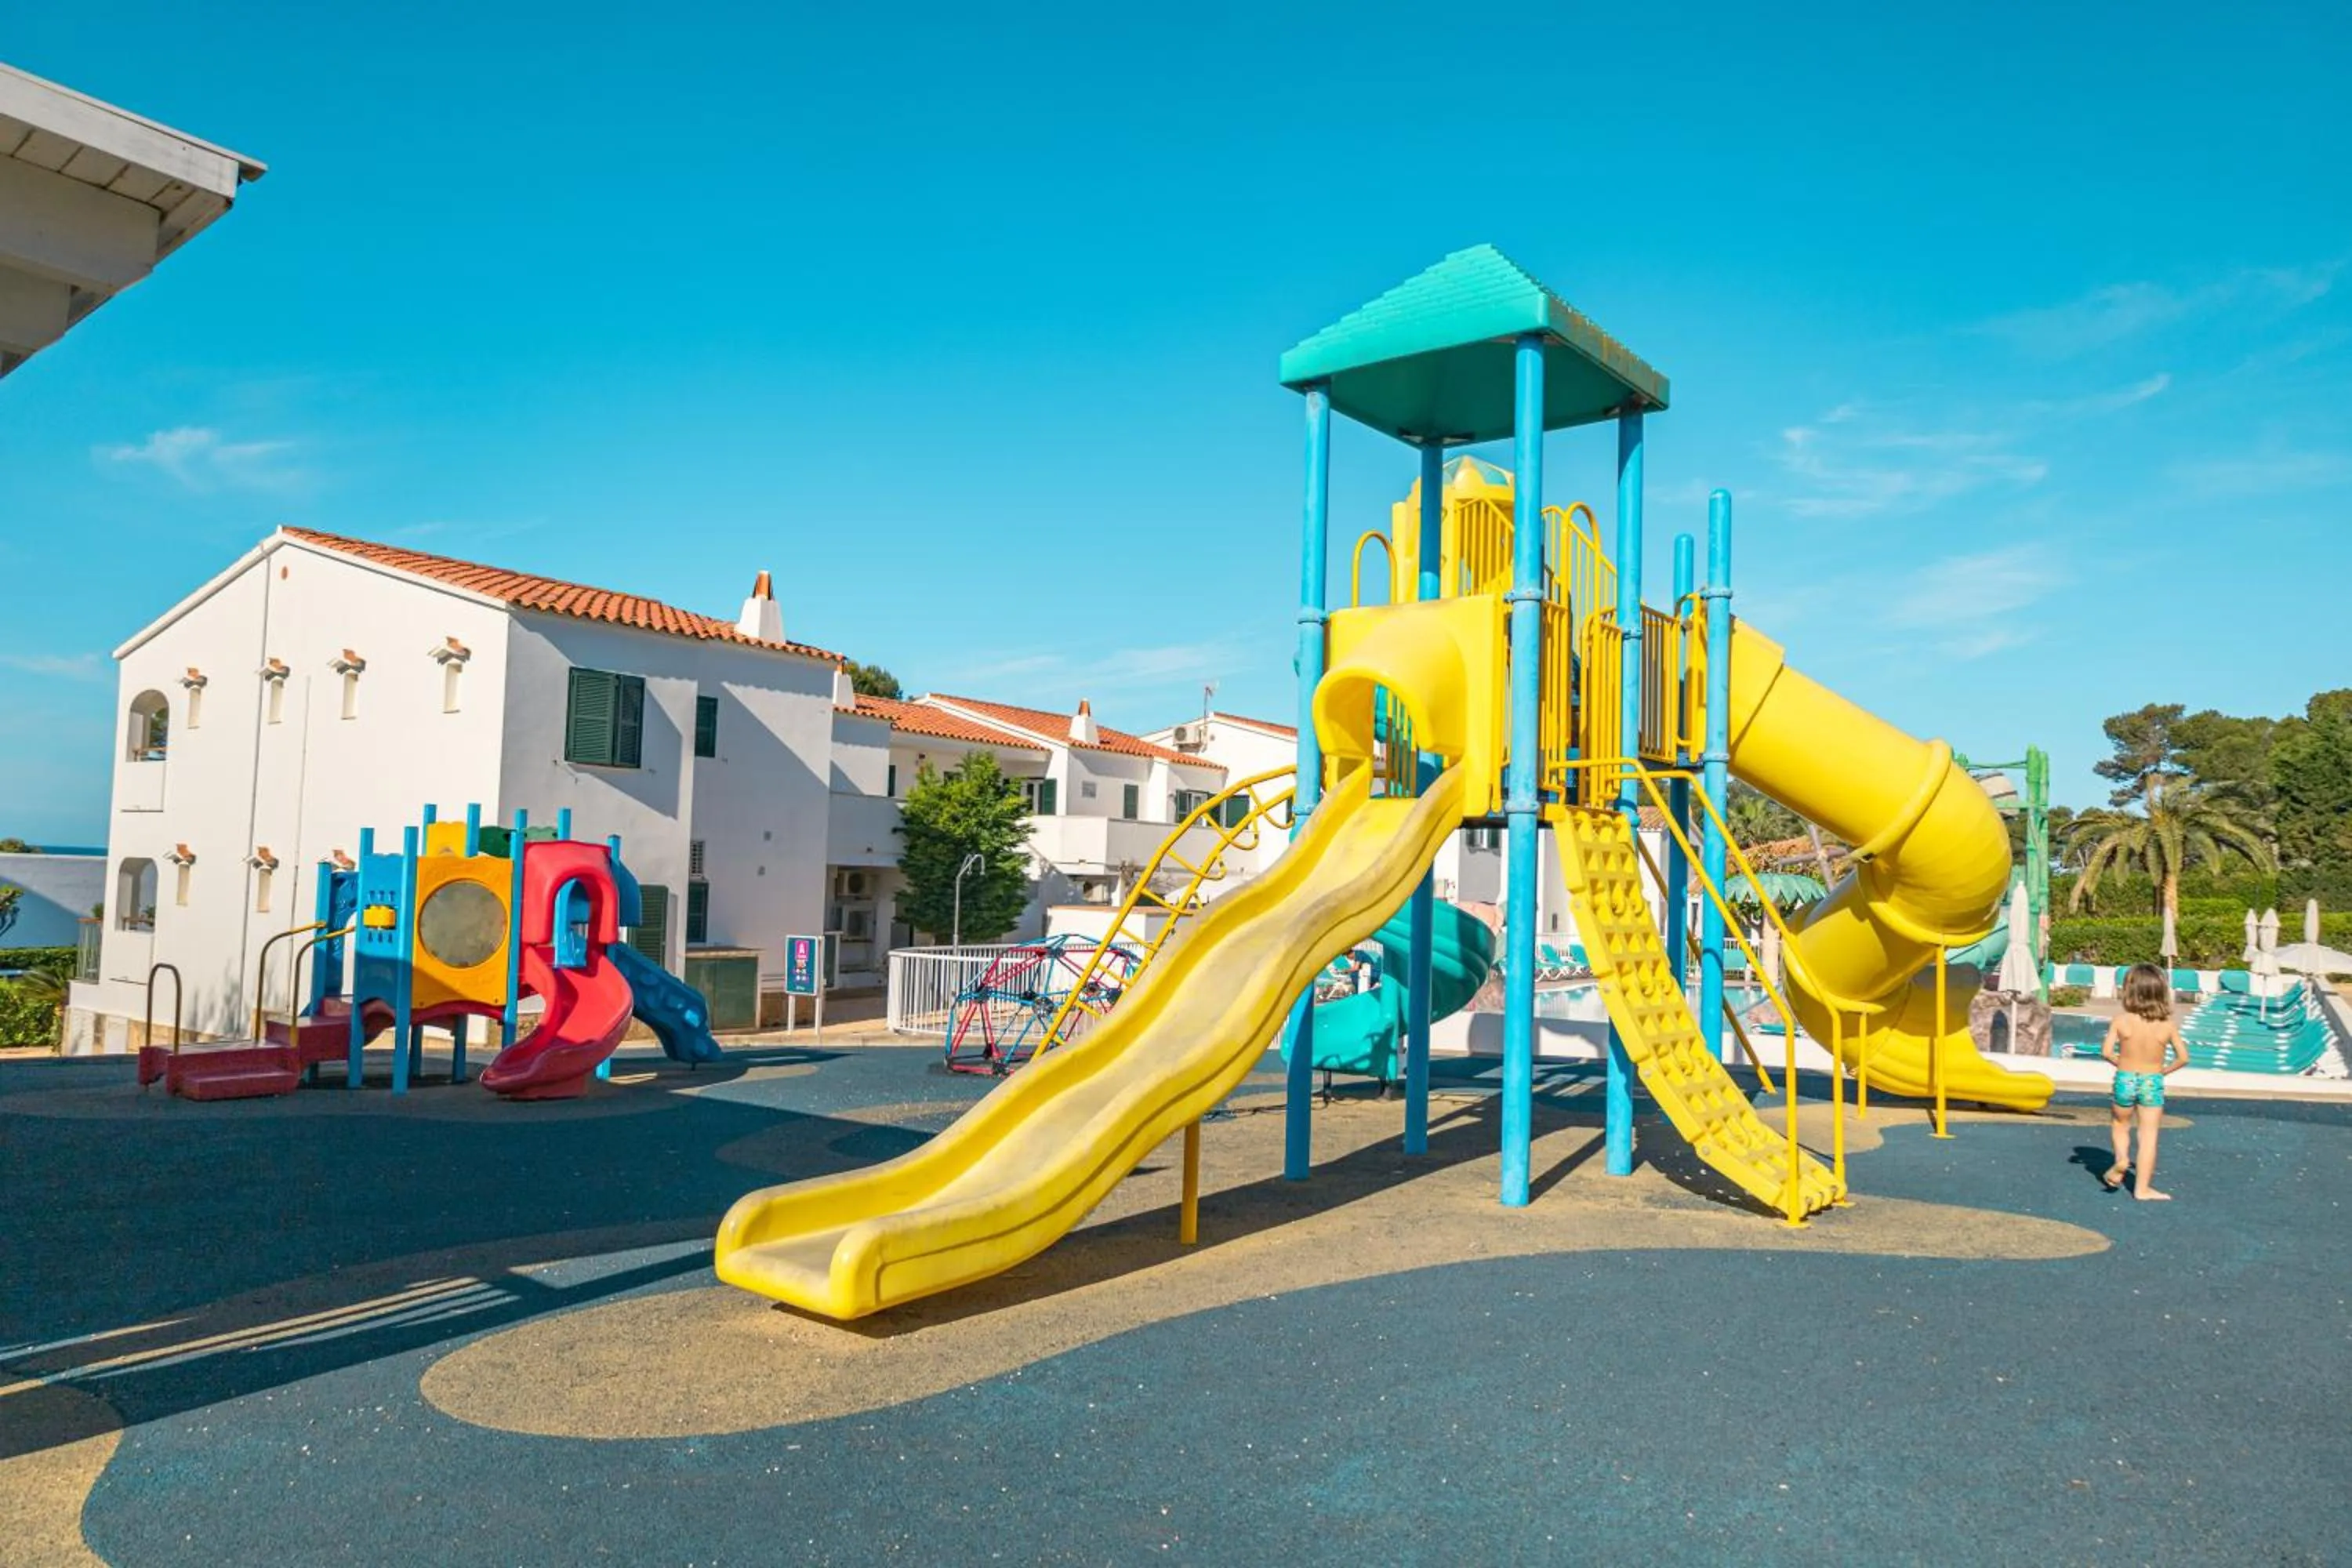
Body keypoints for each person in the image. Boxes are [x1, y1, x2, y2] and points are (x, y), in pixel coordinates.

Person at [2100, 963, 2189, 1200]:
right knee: (2148, 1136)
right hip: (2152, 1081)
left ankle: (2121, 1160)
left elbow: (2107, 1052)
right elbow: (2183, 1058)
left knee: (2120, 1124)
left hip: (2125, 1079)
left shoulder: (2121, 1021)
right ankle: (2142, 1189)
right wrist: (2162, 1072)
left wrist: (2124, 1065)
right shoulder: (2167, 1026)